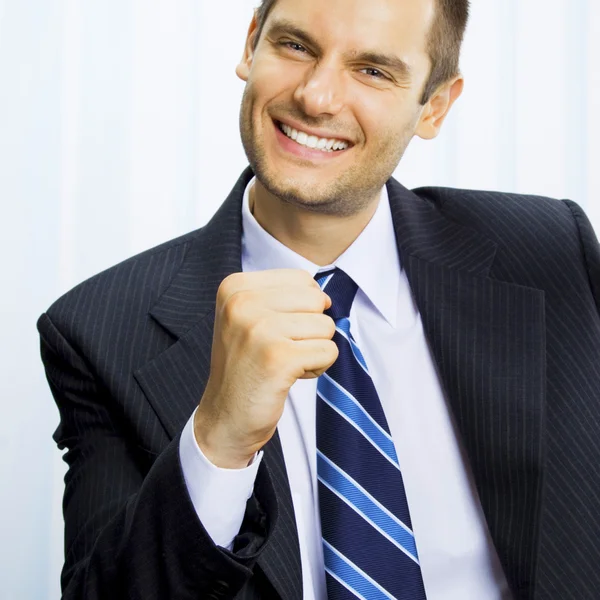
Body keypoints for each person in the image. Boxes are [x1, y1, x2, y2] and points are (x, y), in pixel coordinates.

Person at [37, 0, 600, 598]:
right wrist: (219, 440)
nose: (317, 97)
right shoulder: (100, 331)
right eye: (296, 46)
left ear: (434, 105)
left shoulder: (550, 254)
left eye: (373, 70)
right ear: (251, 43)